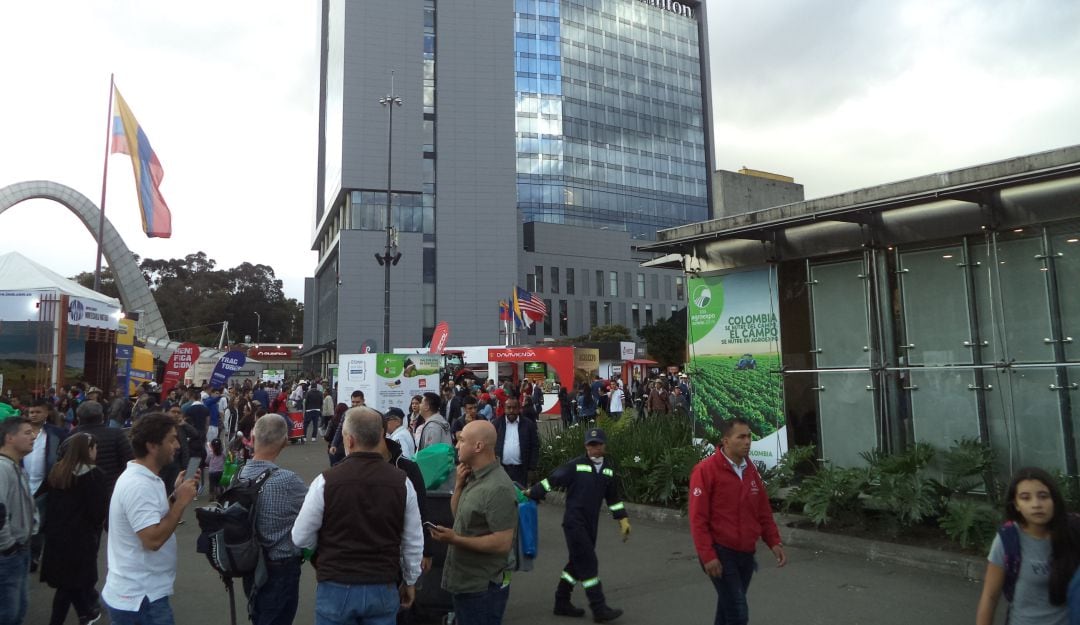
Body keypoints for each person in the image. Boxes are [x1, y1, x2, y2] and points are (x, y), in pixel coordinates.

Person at [291, 407, 423, 625]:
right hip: (382, 583)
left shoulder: (325, 481)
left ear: (349, 440)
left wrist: (321, 552)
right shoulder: (402, 482)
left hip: (336, 583)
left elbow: (300, 536)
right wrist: (410, 580)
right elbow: (413, 540)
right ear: (381, 437)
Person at [101, 412, 200, 624]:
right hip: (140, 597)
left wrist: (175, 496)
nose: (177, 446)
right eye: (171, 440)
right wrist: (181, 503)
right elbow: (152, 539)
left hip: (140, 593)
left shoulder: (145, 479)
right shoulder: (139, 485)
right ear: (152, 446)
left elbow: (153, 519)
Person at [689, 417, 786, 625]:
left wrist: (774, 541)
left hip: (746, 553)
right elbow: (698, 519)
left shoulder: (750, 470)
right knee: (738, 614)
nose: (747, 442)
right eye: (741, 437)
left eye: (749, 436)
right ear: (725, 441)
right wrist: (708, 555)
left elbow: (762, 510)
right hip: (721, 552)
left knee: (727, 610)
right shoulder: (706, 470)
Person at [527, 427, 628, 622]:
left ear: (604, 446)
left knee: (576, 562)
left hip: (591, 524)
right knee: (588, 562)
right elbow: (553, 479)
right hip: (574, 522)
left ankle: (561, 601)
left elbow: (613, 498)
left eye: (597, 444)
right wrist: (534, 492)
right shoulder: (576, 465)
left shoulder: (608, 470)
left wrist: (622, 519)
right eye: (590, 445)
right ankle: (599, 608)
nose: (594, 448)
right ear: (585, 446)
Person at [429, 420, 518, 625]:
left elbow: (502, 543)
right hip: (465, 583)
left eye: (461, 440)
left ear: (478, 446)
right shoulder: (473, 475)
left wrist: (455, 539)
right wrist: (459, 486)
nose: (457, 445)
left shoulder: (498, 487)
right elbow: (459, 514)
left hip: (482, 588)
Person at [976, 467, 1080, 625]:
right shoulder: (1008, 539)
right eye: (1025, 498)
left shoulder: (1074, 531)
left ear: (1054, 500)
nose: (1036, 504)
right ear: (1016, 505)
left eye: (1043, 496)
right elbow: (990, 597)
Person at [240, 414, 309, 625]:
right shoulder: (287, 480)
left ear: (253, 438)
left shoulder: (239, 474)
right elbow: (315, 510)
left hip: (249, 562)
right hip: (280, 567)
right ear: (285, 442)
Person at [39, 432, 107, 625]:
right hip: (80, 539)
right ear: (88, 450)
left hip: (55, 536)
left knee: (69, 583)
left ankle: (86, 614)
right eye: (95, 448)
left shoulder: (57, 471)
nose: (96, 452)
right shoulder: (93, 475)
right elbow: (97, 513)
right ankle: (80, 616)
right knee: (70, 583)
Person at [0, 416, 36, 625]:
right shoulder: (2, 468)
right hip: (8, 555)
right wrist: (8, 547)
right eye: (27, 433)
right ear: (9, 437)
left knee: (18, 609)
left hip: (20, 549)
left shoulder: (16, 466)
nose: (33, 437)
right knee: (8, 613)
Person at [25, 398, 67, 573]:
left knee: (39, 523)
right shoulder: (21, 431)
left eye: (38, 412)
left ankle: (34, 556)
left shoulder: (56, 433)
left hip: (44, 485)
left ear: (46, 413)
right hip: (23, 483)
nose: (34, 415)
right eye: (31, 412)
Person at [71, 400, 134, 502]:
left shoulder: (72, 436)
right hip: (112, 490)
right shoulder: (116, 434)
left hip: (80, 492)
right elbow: (128, 461)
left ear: (79, 418)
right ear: (102, 416)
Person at [494, 398, 539, 488]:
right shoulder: (497, 424)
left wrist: (532, 468)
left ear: (519, 409)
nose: (511, 410)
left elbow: (535, 446)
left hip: (521, 470)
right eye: (508, 407)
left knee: (520, 494)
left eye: (514, 408)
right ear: (504, 409)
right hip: (501, 470)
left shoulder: (528, 425)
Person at [329, 390, 366, 464]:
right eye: (353, 402)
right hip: (349, 447)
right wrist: (334, 445)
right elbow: (340, 429)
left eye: (357, 402)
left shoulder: (369, 414)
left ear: (363, 401)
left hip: (364, 448)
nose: (355, 404)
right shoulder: (347, 413)